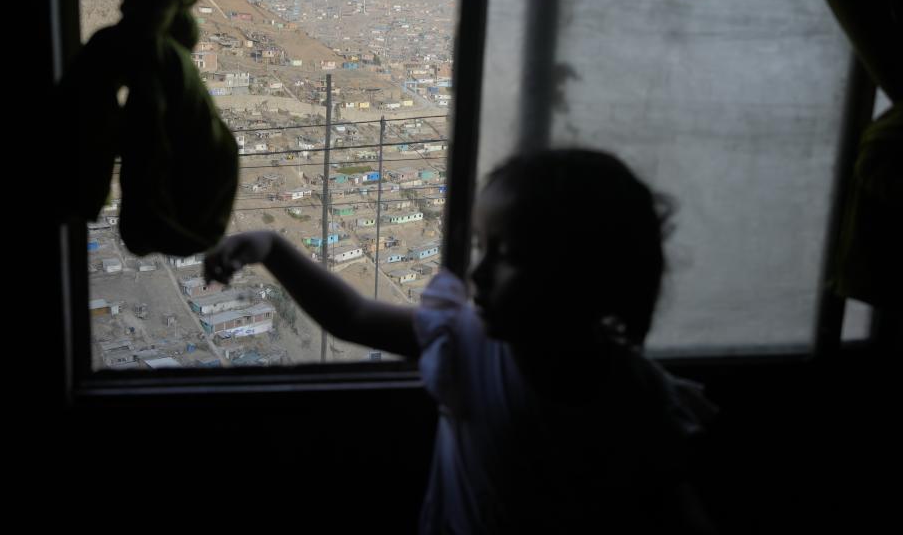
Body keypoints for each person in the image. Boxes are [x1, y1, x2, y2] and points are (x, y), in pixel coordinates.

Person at [205, 148, 716, 533]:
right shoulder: (471, 342)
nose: (477, 272)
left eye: (508, 254)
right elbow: (353, 316)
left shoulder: (636, 401)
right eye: (479, 246)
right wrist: (272, 249)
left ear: (582, 276)